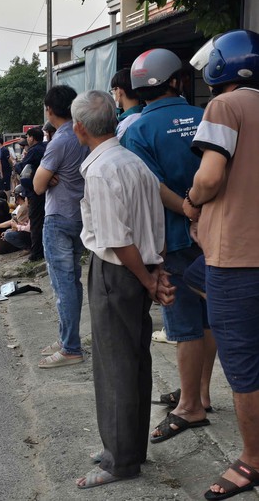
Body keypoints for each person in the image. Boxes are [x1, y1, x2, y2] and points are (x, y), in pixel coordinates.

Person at [71, 89, 173, 489]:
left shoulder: (100, 169)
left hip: (119, 272)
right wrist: (155, 271)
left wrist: (149, 279)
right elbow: (155, 220)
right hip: (140, 265)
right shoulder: (132, 160)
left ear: (80, 128)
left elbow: (116, 239)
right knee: (133, 360)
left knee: (115, 365)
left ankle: (121, 460)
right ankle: (127, 446)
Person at [121, 48, 214, 444]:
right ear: (177, 80)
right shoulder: (207, 116)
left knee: (184, 325)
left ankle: (189, 406)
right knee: (210, 315)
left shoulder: (138, 130)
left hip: (172, 238)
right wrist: (203, 213)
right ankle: (203, 394)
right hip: (216, 234)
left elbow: (151, 187)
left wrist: (187, 211)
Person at [184, 29, 259, 501]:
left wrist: (192, 202)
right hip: (228, 260)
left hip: (236, 259)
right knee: (195, 278)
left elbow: (210, 176)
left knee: (244, 366)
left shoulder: (225, 107)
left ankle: (253, 460)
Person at [33, 85, 90, 368]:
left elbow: (37, 184)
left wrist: (51, 175)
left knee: (63, 284)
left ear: (49, 110)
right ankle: (68, 337)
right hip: (81, 216)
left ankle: (71, 347)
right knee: (73, 281)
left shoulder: (59, 141)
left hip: (59, 218)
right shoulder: (85, 136)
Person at [15, 127, 47, 262]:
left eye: (28, 137)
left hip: (35, 190)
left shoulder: (34, 151)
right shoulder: (45, 147)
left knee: (36, 221)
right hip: (42, 189)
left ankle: (36, 253)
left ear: (32, 138)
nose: (27, 139)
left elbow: (22, 167)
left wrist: (16, 165)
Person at [110, 68, 144, 140]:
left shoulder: (126, 125)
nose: (113, 94)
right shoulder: (145, 114)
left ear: (119, 91)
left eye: (113, 90)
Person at [3, 185, 32, 251]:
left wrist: (16, 226)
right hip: (27, 230)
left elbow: (28, 228)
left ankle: (28, 248)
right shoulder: (22, 206)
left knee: (8, 235)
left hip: (31, 233)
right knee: (7, 232)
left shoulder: (24, 207)